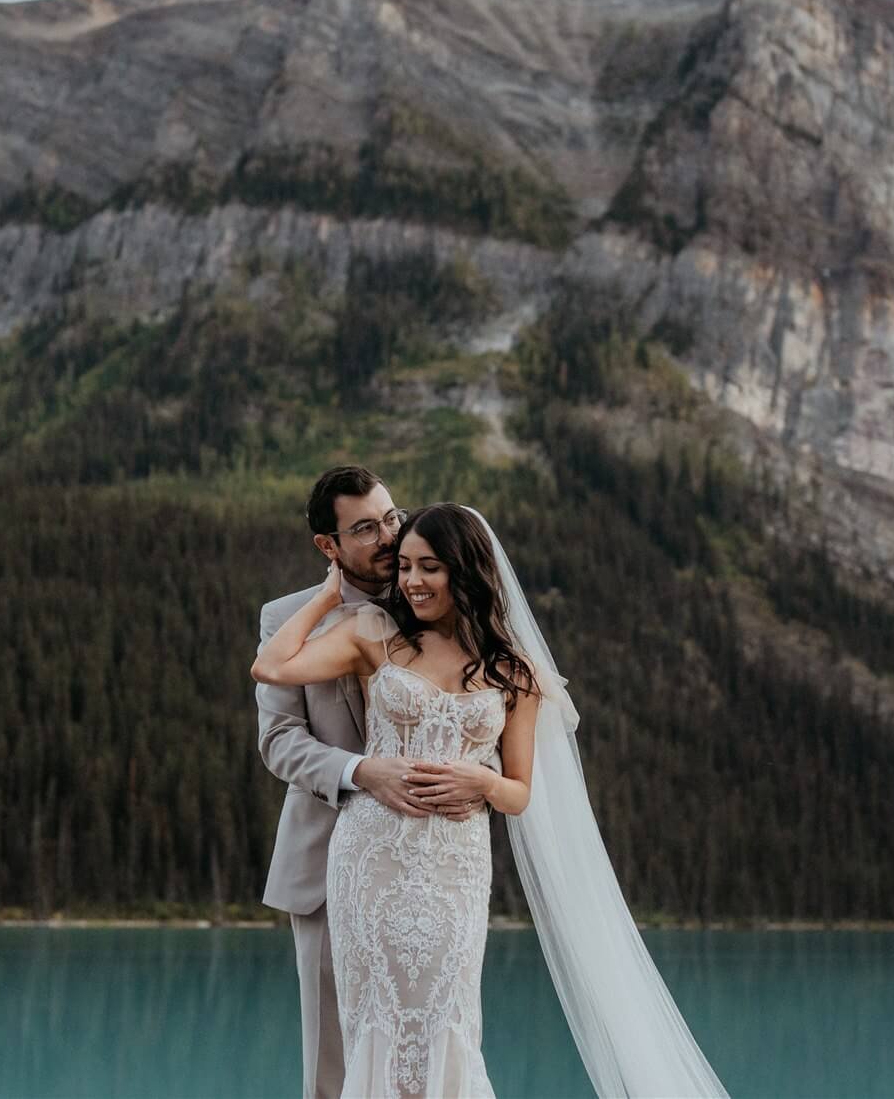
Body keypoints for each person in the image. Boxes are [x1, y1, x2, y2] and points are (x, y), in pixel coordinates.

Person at [254, 503, 728, 1099]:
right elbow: (270, 666)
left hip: (455, 864)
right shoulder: (374, 634)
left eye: (430, 567)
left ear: (467, 572)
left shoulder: (515, 673)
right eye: (403, 567)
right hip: (372, 859)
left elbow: (519, 793)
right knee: (373, 1022)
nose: (411, 582)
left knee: (448, 1021)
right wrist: (326, 598)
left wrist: (482, 783)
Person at [255, 469, 488, 1099]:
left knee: (439, 1046)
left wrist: (480, 775)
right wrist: (361, 772)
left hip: (435, 875)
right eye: (365, 528)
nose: (389, 535)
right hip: (335, 865)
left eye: (391, 516)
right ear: (328, 546)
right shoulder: (288, 618)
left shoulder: (439, 601)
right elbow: (278, 742)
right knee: (337, 1066)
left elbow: (487, 711)